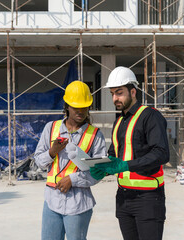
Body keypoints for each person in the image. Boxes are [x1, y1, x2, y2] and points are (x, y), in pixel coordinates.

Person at [92, 66, 169, 240]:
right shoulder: (119, 121)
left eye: (119, 93)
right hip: (123, 197)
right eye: (112, 93)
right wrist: (102, 167)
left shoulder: (150, 116)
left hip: (148, 198)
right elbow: (114, 155)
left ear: (133, 91)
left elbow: (161, 153)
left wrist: (127, 165)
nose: (115, 98)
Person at [34, 80, 107, 240]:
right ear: (67, 106)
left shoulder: (95, 135)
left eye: (84, 107)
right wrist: (52, 152)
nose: (80, 111)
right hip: (52, 202)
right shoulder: (51, 128)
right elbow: (38, 162)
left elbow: (100, 172)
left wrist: (73, 180)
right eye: (75, 106)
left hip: (79, 204)